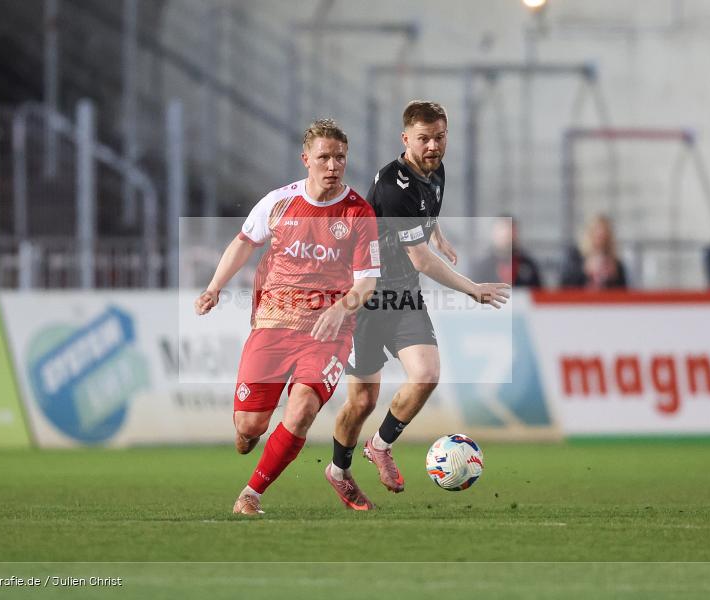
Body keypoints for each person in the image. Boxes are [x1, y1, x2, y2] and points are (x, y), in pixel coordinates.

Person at [324, 101, 510, 509]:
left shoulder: (435, 168)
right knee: (362, 400)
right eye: (423, 139)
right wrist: (473, 289)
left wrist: (435, 232)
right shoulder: (394, 185)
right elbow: (421, 260)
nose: (432, 146)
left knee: (426, 374)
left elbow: (426, 212)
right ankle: (338, 471)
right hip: (367, 295)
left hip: (404, 294)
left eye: (439, 137)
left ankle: (379, 445)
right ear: (405, 139)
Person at [196, 119, 380, 515]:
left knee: (302, 410)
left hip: (329, 330)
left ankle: (251, 495)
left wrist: (339, 308)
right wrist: (214, 286)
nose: (333, 165)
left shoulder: (359, 214)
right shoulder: (279, 202)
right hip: (273, 324)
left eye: (341, 158)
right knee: (249, 428)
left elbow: (366, 285)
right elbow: (244, 243)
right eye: (325, 157)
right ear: (306, 160)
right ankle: (250, 435)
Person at [471, 216, 542, 288]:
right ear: (494, 233)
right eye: (502, 229)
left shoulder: (528, 265)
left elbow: (539, 294)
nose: (507, 234)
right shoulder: (482, 267)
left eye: (511, 230)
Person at [559, 214, 627, 289]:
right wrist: (585, 269)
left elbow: (622, 290)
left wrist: (613, 275)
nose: (600, 239)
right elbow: (564, 284)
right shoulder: (575, 257)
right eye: (597, 234)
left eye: (604, 236)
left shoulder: (615, 262)